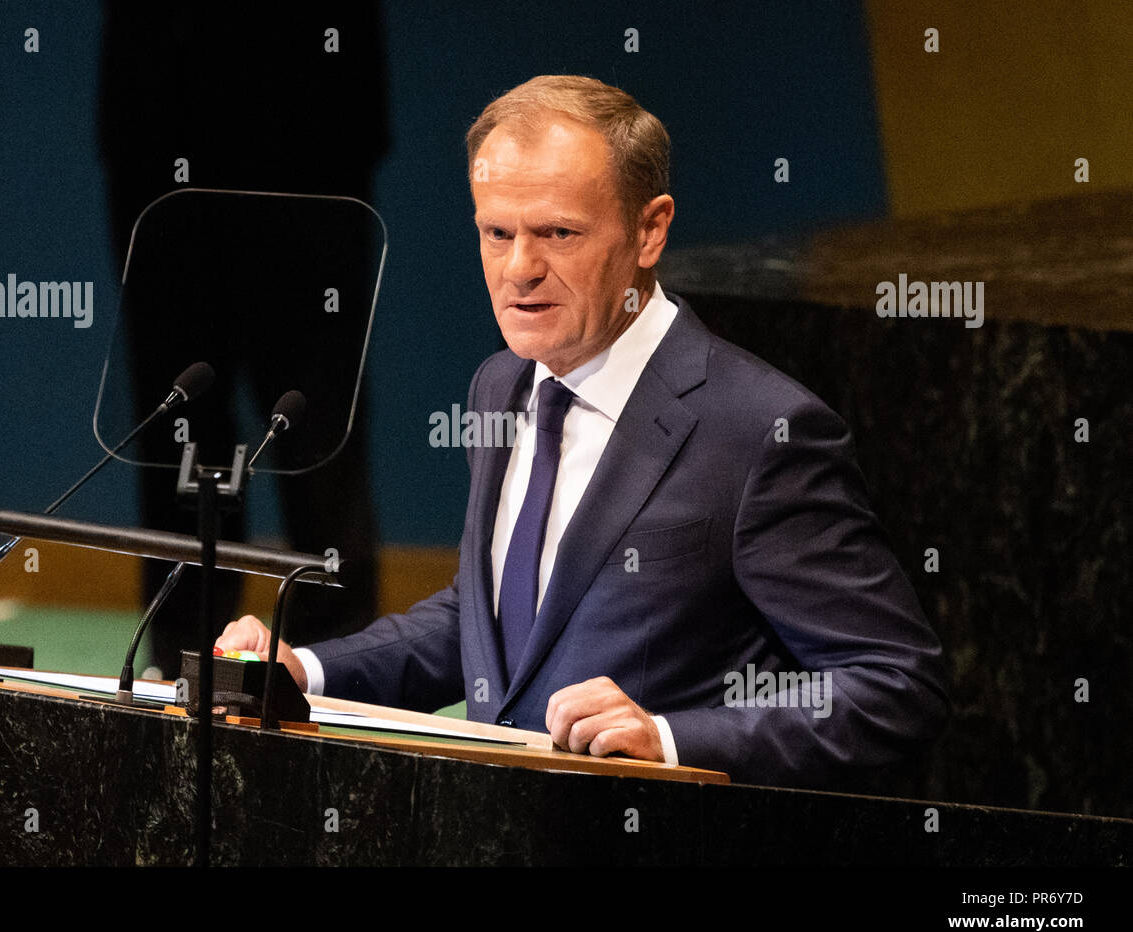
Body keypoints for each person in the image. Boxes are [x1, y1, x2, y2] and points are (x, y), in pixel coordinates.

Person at [218, 75, 948, 786]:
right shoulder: (499, 385)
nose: (519, 269)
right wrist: (307, 670)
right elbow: (498, 623)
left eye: (557, 233)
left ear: (650, 229)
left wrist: (667, 739)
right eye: (496, 232)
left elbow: (894, 686)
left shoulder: (760, 432)